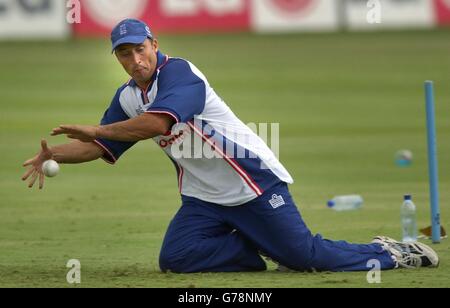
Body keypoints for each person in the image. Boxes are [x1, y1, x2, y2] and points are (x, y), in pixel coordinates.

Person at [22, 19, 439, 273]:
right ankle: (256, 244)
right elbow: (102, 149)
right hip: (203, 196)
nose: (135, 59)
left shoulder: (181, 74)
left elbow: (153, 125)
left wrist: (97, 129)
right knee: (178, 258)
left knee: (307, 257)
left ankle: (392, 253)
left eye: (140, 49)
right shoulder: (128, 95)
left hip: (252, 182)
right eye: (124, 54)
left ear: (154, 44)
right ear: (118, 58)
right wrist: (54, 154)